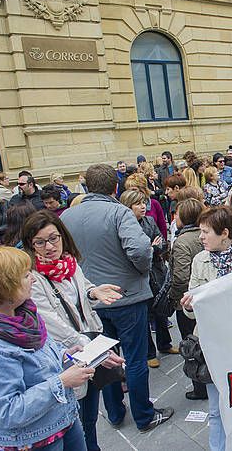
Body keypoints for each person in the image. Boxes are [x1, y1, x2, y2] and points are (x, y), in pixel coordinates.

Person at [61, 164, 174, 433]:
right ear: (115, 187)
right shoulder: (118, 212)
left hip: (92, 300)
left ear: (87, 186)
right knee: (134, 359)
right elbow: (139, 250)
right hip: (126, 298)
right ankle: (144, 415)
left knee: (103, 358)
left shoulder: (67, 215)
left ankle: (114, 412)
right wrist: (140, 273)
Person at [22, 211, 125, 451]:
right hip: (68, 356)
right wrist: (92, 349)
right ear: (30, 244)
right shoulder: (32, 279)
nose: (49, 246)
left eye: (53, 238)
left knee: (89, 415)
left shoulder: (70, 263)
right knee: (75, 417)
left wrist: (94, 292)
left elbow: (83, 288)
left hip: (89, 344)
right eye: (40, 242)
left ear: (62, 236)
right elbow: (53, 323)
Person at [0, 246, 93, 450]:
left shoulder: (23, 314)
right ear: (2, 286)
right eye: (24, 275)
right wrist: (61, 382)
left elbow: (40, 356)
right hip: (32, 440)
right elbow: (5, 412)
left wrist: (63, 354)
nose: (32, 278)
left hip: (62, 420)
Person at [180, 206, 232, 451]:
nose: (201, 237)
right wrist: (190, 306)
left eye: (206, 232)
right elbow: (190, 310)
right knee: (216, 411)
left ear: (225, 233)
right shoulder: (200, 260)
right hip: (211, 346)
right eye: (201, 231)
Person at [119, 190, 178, 369]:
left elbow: (161, 243)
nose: (143, 206)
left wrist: (154, 247)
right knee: (144, 315)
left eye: (144, 202)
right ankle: (149, 353)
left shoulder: (149, 221)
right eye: (138, 204)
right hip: (138, 276)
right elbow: (134, 253)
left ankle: (165, 344)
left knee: (160, 309)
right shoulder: (124, 226)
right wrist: (151, 248)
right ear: (128, 207)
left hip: (156, 272)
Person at [168, 198, 207, 401]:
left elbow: (181, 276)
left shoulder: (182, 241)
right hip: (204, 298)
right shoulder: (202, 234)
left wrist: (175, 297)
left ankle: (200, 386)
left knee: (192, 344)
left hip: (188, 301)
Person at [125, 172, 168, 239]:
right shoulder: (125, 206)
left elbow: (162, 227)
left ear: (143, 189)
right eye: (129, 190)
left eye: (134, 189)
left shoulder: (154, 204)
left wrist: (163, 244)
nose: (131, 193)